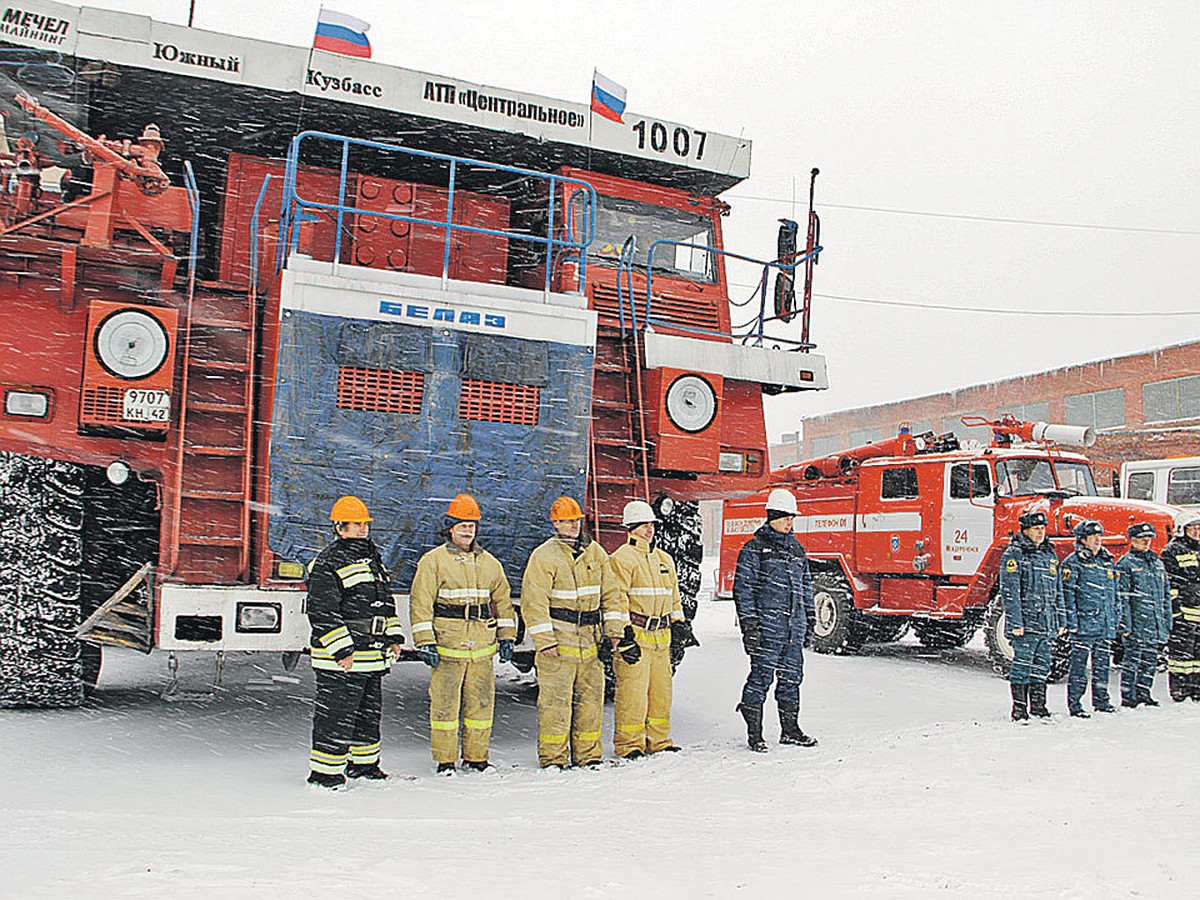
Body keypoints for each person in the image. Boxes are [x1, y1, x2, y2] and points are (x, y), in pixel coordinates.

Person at [410, 493, 516, 774]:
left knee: (481, 706)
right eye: (462, 525)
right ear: (450, 528)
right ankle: (446, 760)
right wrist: (425, 641)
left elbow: (503, 602)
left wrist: (507, 636)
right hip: (448, 645)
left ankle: (477, 757)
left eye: (471, 525)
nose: (468, 530)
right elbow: (421, 604)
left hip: (481, 647)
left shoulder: (490, 563)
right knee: (444, 707)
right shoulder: (433, 561)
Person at [306, 496, 404, 788]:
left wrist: (394, 637)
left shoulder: (373, 558)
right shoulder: (327, 561)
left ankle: (364, 765)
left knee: (367, 714)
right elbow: (322, 610)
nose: (362, 529)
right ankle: (325, 773)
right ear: (340, 528)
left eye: (364, 524)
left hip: (371, 654)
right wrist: (342, 650)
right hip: (343, 658)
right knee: (336, 715)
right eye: (356, 525)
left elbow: (385, 603)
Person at [520, 496, 620, 768]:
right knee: (555, 704)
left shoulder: (595, 552)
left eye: (576, 520)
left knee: (590, 702)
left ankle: (589, 756)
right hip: (560, 640)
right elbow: (534, 603)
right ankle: (554, 758)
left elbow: (612, 593)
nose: (573, 525)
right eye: (566, 521)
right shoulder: (544, 556)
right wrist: (545, 642)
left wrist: (613, 632)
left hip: (590, 639)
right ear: (556, 523)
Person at [605, 499, 693, 759]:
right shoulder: (621, 559)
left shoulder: (664, 559)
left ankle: (659, 740)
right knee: (633, 695)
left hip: (661, 639)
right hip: (638, 636)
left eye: (651, 524)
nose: (649, 529)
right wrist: (623, 635)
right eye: (643, 525)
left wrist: (679, 624)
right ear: (630, 528)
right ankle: (629, 744)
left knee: (661, 693)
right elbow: (616, 599)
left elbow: (674, 597)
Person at [733, 488, 818, 751]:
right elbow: (743, 590)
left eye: (792, 518)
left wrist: (810, 617)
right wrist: (750, 627)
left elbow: (805, 585)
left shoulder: (796, 549)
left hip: (793, 628)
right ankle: (755, 734)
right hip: (767, 629)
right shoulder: (754, 549)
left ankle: (790, 730)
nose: (789, 523)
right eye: (784, 518)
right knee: (761, 678)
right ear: (771, 516)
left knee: (792, 678)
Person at [998, 509, 1066, 721]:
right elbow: (1010, 591)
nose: (1040, 533)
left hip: (1046, 622)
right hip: (1026, 623)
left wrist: (1061, 619)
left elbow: (1058, 590)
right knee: (1022, 665)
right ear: (1025, 530)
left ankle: (1039, 705)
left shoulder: (1049, 554)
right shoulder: (1015, 554)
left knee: (1042, 666)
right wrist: (1016, 622)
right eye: (1036, 529)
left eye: (1042, 528)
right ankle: (1019, 707)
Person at [1060, 519, 1118, 717]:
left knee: (1102, 666)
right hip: (1084, 625)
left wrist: (1114, 617)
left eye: (1099, 536)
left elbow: (1113, 593)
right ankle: (1075, 705)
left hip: (1103, 624)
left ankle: (1102, 701)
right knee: (1079, 668)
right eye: (1093, 537)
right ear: (1083, 540)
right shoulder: (1073, 562)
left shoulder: (1106, 560)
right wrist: (1072, 623)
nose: (1097, 541)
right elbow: (1068, 595)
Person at [1115, 522, 1172, 708]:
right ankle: (1128, 696)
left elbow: (1165, 596)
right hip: (1137, 623)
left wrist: (1166, 621)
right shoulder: (1125, 564)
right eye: (1142, 539)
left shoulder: (1156, 563)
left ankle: (1144, 693)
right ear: (1133, 541)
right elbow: (1122, 598)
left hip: (1154, 623)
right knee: (1132, 661)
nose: (1146, 543)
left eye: (1148, 539)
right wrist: (1126, 625)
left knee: (1149, 661)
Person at [1161, 510, 1200, 702]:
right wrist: (1175, 608)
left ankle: (1196, 688)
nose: (1196, 532)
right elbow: (1170, 582)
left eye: (1198, 528)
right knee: (1180, 656)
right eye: (1192, 528)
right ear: (1181, 529)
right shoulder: (1172, 550)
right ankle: (1179, 689)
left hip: (1198, 611)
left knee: (1197, 655)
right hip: (1183, 612)